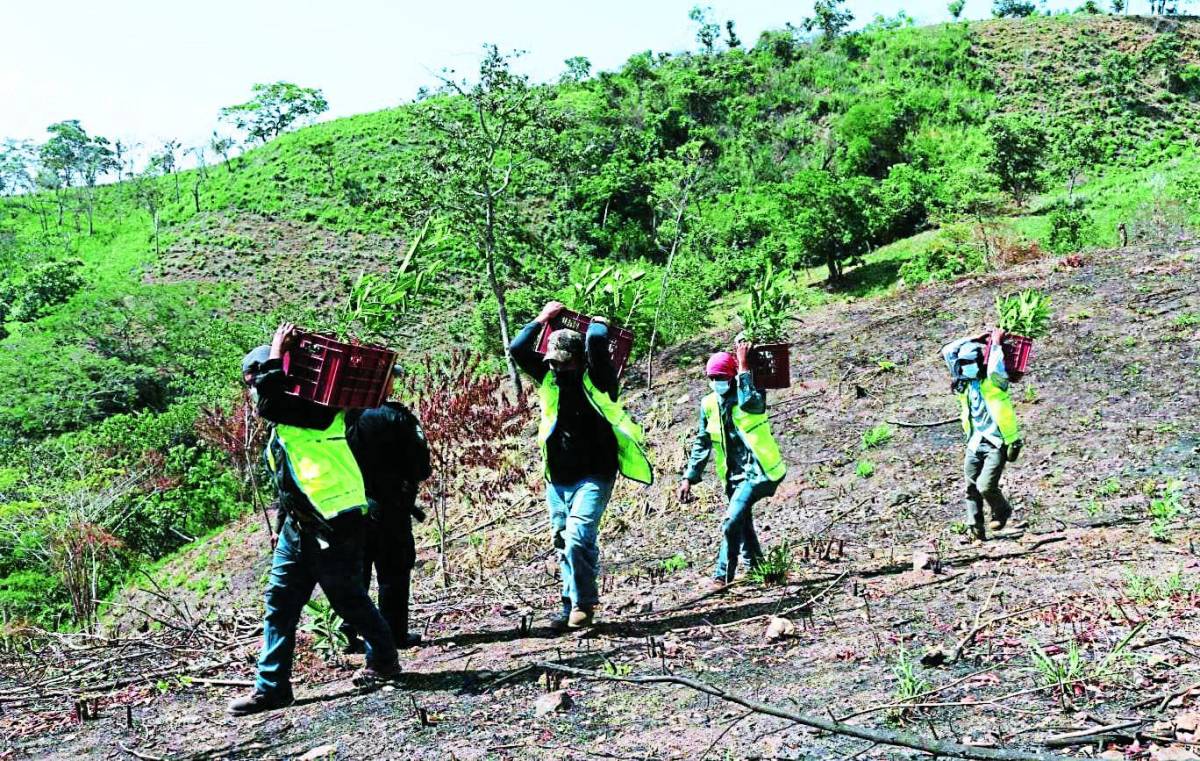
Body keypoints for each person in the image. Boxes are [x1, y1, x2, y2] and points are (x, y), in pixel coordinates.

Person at [228, 323, 400, 717]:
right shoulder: (293, 418)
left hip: (333, 518)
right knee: (281, 602)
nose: (253, 389)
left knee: (347, 598)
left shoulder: (314, 411)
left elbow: (270, 400)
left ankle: (384, 660)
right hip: (302, 522)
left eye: (256, 379)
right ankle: (271, 688)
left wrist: (276, 351)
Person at [510, 301, 653, 630]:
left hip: (594, 475)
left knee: (577, 537)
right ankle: (569, 604)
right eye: (553, 362)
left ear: (579, 359)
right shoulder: (549, 376)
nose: (557, 368)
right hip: (557, 478)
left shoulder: (599, 378)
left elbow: (598, 341)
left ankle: (585, 604)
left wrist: (598, 321)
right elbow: (518, 349)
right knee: (562, 541)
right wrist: (543, 318)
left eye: (563, 363)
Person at [678, 344, 787, 590]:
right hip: (732, 476)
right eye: (712, 378)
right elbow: (702, 441)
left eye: (721, 378)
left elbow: (754, 404)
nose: (717, 382)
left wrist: (744, 367)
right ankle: (761, 570)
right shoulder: (708, 404)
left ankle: (721, 576)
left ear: (733, 376)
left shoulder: (748, 394)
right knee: (742, 521)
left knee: (732, 520)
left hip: (759, 471)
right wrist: (689, 477)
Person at [340, 375, 432, 653]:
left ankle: (351, 630)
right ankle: (393, 634)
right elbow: (421, 467)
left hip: (348, 506)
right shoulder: (395, 417)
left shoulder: (336, 419)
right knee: (393, 571)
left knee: (356, 571)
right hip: (390, 507)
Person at [941, 329, 1024, 541]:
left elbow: (995, 362)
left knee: (985, 485)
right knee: (971, 488)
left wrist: (995, 342)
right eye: (963, 364)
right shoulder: (963, 385)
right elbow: (948, 351)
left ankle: (1002, 510)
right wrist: (972, 338)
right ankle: (976, 530)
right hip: (974, 442)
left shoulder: (994, 382)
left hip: (996, 442)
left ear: (980, 363)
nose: (966, 368)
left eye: (970, 364)